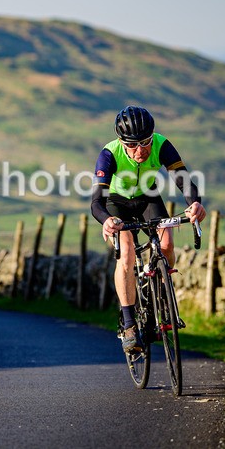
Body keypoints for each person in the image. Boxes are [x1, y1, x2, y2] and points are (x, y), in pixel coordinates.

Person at [91, 106, 206, 353]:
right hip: (116, 203)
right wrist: (106, 221)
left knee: (166, 245)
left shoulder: (162, 144)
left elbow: (183, 179)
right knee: (127, 252)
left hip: (148, 197)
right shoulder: (109, 154)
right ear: (122, 141)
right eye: (132, 145)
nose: (140, 150)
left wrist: (194, 204)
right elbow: (96, 202)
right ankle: (130, 325)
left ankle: (161, 299)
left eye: (145, 142)